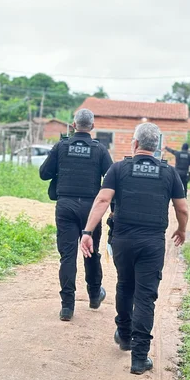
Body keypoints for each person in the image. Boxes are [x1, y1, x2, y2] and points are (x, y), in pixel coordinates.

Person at [80, 122, 189, 375]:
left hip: (123, 240)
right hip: (152, 242)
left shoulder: (118, 169)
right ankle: (139, 359)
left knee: (125, 286)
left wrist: (87, 231)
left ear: (135, 143)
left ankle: (125, 335)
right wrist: (182, 229)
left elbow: (103, 200)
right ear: (158, 146)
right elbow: (182, 208)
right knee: (145, 296)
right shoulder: (169, 173)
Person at [39, 108, 113, 321]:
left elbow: (44, 174)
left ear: (73, 125)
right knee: (91, 252)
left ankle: (67, 307)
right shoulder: (99, 149)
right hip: (91, 209)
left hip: (65, 206)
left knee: (68, 256)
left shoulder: (61, 146)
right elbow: (110, 178)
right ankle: (93, 295)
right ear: (92, 126)